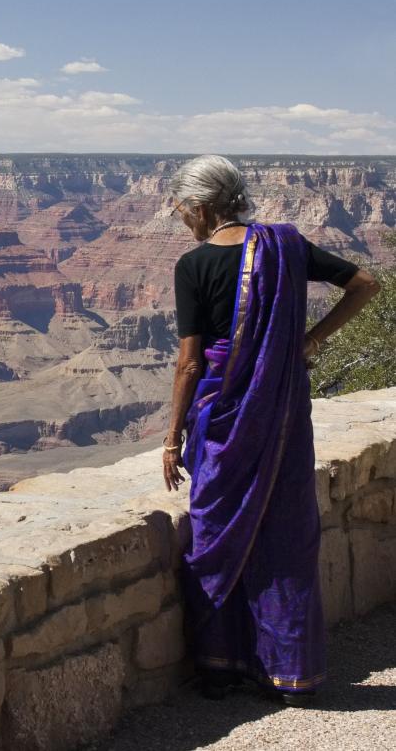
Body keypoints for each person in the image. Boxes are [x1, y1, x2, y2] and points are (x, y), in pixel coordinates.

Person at [161, 154, 382, 706]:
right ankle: (289, 672)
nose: (183, 219)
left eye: (184, 209)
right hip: (281, 412)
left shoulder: (194, 266)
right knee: (285, 532)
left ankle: (220, 666)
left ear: (204, 205)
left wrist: (170, 438)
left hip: (220, 418)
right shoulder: (284, 248)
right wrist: (311, 340)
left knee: (214, 534)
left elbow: (189, 363)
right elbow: (365, 284)